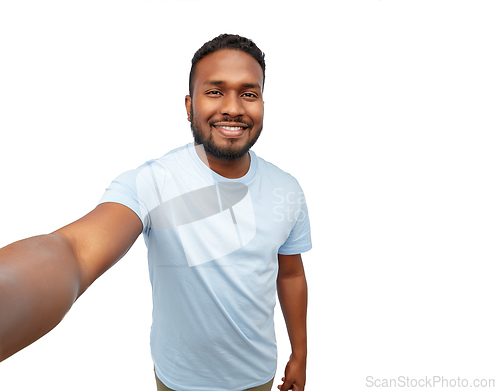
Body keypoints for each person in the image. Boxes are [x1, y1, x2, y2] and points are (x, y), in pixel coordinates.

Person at [0, 34, 312, 391]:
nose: (233, 107)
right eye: (214, 92)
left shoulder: (287, 189)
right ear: (189, 106)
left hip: (258, 377)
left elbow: (289, 274)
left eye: (249, 93)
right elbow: (74, 251)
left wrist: (299, 354)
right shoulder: (153, 182)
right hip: (179, 381)